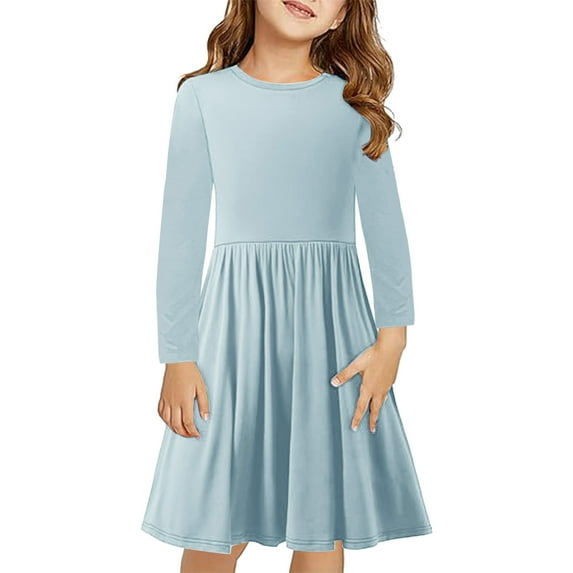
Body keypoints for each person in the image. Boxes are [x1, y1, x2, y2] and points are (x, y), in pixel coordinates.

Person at [141, 1, 432, 571]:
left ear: (342, 17)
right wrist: (177, 356)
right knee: (216, 519)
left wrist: (393, 341)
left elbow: (387, 231)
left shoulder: (353, 106)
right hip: (232, 336)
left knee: (323, 520)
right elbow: (179, 236)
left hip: (333, 335)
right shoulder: (201, 98)